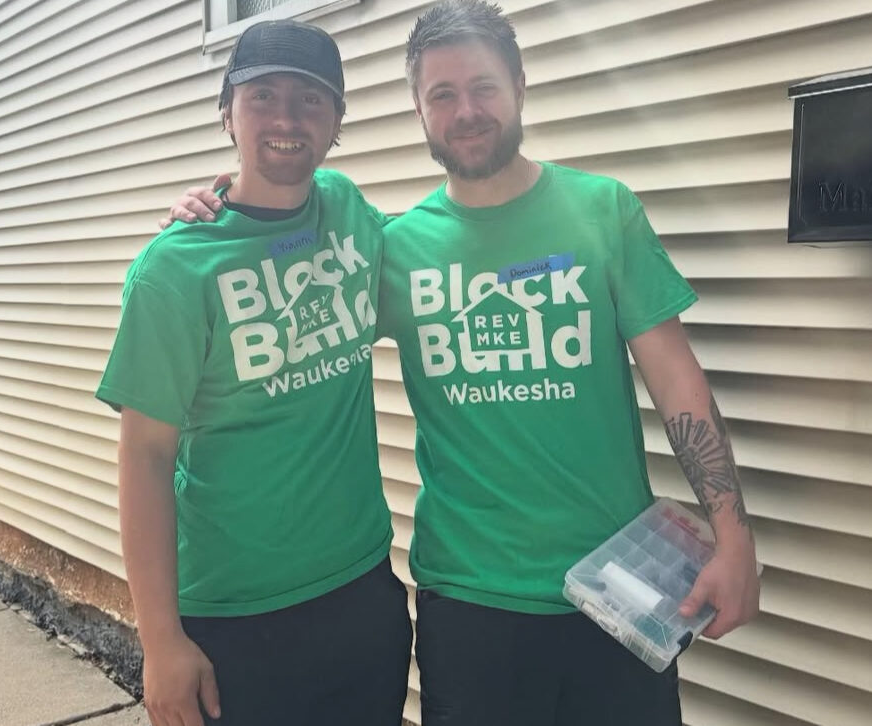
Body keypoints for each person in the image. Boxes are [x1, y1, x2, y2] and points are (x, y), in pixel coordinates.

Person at [165, 3, 760, 724]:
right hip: (469, 604)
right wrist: (221, 204)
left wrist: (734, 539)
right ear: (419, 109)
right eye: (442, 94)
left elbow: (678, 384)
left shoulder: (604, 211)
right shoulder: (391, 249)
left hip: (617, 588)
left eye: (483, 87)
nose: (466, 111)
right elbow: (280, 256)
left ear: (520, 86)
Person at [98, 19, 411, 726]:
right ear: (227, 112)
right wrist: (160, 641)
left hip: (361, 593)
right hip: (231, 616)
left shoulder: (347, 210)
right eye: (262, 95)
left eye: (310, 99)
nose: (286, 119)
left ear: (337, 121)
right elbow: (145, 456)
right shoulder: (175, 269)